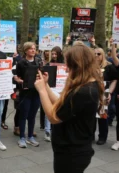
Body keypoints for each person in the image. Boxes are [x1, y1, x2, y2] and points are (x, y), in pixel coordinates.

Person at [34, 43, 103, 173]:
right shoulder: (86, 85)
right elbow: (62, 104)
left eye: (68, 66)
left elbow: (54, 117)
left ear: (78, 65)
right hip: (74, 149)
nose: (66, 70)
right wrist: (46, 86)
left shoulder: (83, 91)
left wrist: (42, 91)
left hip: (72, 152)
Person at [13, 42, 41, 148]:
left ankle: (30, 137)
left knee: (32, 115)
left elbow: (41, 74)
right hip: (25, 92)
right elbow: (17, 77)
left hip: (36, 92)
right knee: (23, 115)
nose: (33, 50)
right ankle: (22, 138)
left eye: (34, 48)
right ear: (25, 51)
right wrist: (20, 81)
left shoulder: (38, 61)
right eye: (30, 49)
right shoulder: (21, 63)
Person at [40, 46, 64, 142]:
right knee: (50, 109)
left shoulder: (64, 65)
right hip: (52, 89)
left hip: (61, 89)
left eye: (55, 54)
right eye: (52, 54)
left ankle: (57, 130)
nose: (54, 56)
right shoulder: (49, 64)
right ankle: (47, 130)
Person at [94, 47, 117, 145]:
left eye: (98, 54)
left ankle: (102, 137)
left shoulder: (109, 66)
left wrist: (110, 92)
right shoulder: (89, 66)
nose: (96, 56)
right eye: (94, 54)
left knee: (102, 116)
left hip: (104, 94)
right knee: (91, 117)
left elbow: (114, 80)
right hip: (91, 93)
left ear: (103, 55)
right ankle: (90, 136)